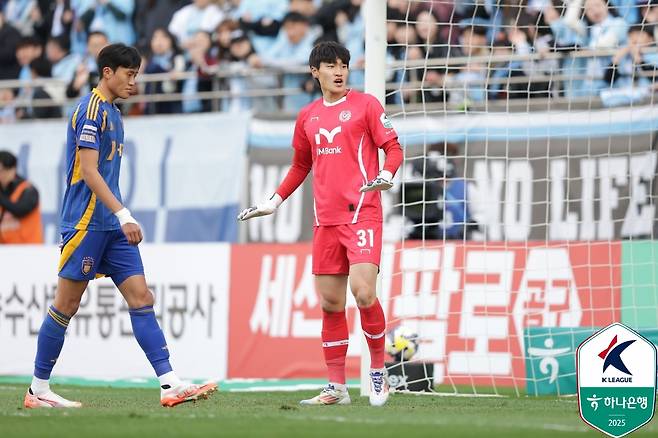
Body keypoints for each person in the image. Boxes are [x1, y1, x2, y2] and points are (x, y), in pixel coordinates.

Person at [23, 43, 217, 409]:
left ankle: (169, 384)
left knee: (141, 297)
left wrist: (117, 217)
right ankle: (38, 389)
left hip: (111, 227)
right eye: (129, 75)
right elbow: (90, 172)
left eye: (136, 75)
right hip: (85, 223)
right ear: (107, 72)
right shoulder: (90, 111)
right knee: (66, 305)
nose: (133, 82)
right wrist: (124, 213)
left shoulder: (114, 112)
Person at [238, 41, 403, 407]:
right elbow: (301, 166)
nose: (338, 71)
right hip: (325, 220)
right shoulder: (308, 116)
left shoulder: (366, 105)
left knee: (364, 292)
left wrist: (387, 175)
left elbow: (393, 147)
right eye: (330, 65)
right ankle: (337, 387)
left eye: (343, 65)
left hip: (362, 212)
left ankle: (378, 372)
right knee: (330, 303)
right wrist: (273, 201)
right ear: (315, 72)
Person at [0, 150, 44, 244]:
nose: (1, 175)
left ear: (13, 169)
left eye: (3, 171)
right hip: (5, 248)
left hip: (28, 248)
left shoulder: (28, 189)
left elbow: (20, 210)